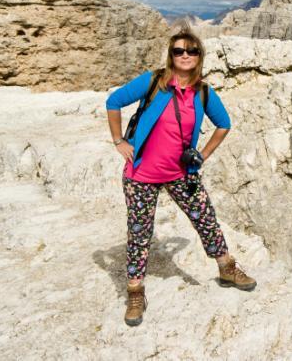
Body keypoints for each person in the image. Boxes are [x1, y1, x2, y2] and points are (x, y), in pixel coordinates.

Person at [106, 28, 256, 327]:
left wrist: (203, 155)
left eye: (191, 51)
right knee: (139, 233)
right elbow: (114, 101)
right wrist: (118, 141)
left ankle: (227, 268)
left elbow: (223, 124)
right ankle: (135, 292)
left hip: (181, 174)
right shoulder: (153, 82)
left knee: (206, 219)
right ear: (171, 55)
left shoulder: (203, 92)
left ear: (199, 56)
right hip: (141, 175)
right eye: (178, 51)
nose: (184, 55)